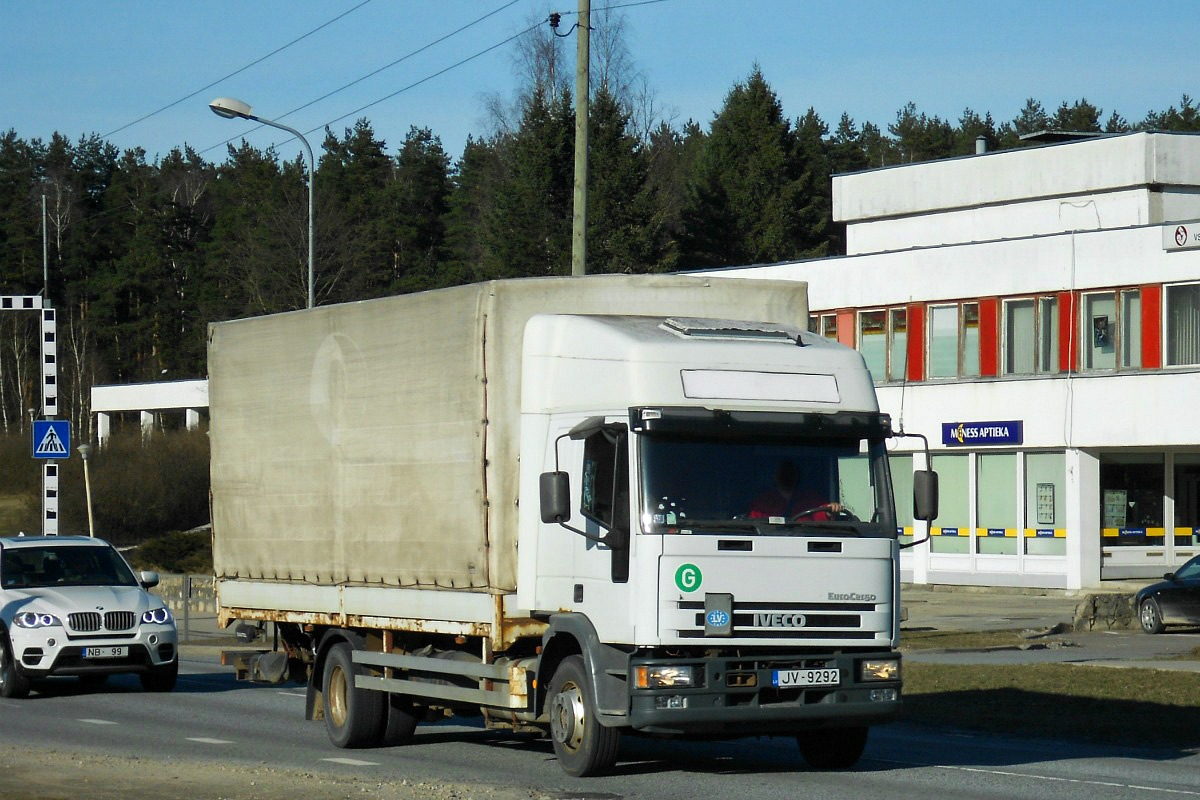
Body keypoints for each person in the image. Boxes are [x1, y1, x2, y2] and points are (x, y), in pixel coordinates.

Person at [749, 461, 843, 521]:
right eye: (784, 472)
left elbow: (824, 511)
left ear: (796, 476)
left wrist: (831, 510)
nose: (787, 476)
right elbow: (753, 525)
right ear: (775, 476)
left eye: (791, 473)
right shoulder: (763, 502)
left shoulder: (811, 498)